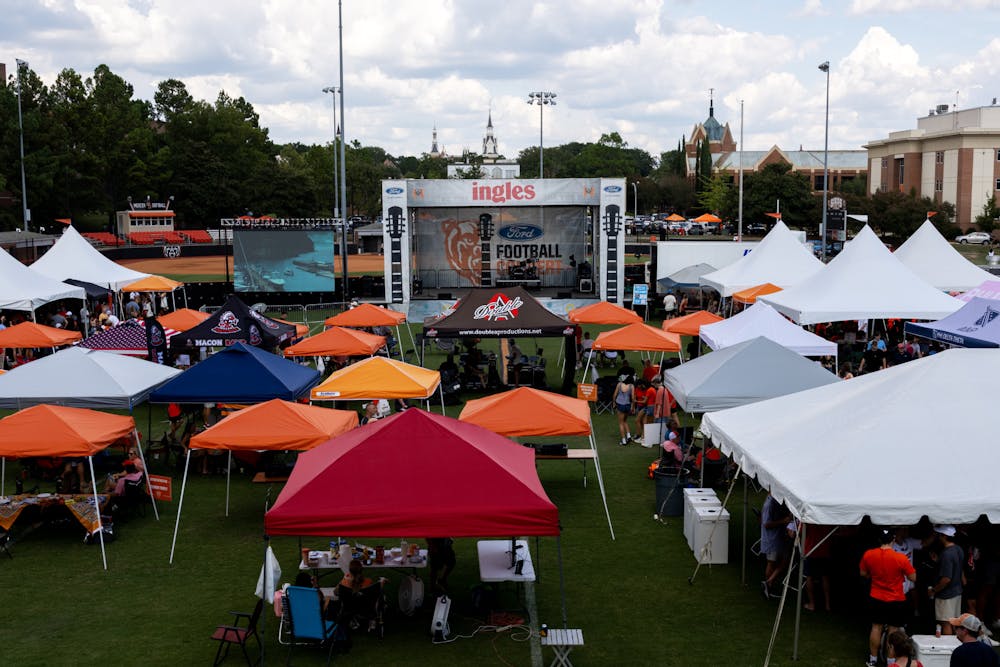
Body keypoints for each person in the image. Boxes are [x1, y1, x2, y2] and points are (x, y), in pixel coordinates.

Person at [860, 528, 917, 666]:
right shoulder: (900, 558)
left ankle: (873, 660)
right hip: (896, 598)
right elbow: (913, 577)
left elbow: (863, 573)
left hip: (876, 596)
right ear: (893, 540)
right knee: (893, 631)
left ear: (879, 540)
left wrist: (872, 575)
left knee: (876, 628)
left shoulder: (869, 554)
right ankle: (891, 662)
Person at [930, 524, 965, 635]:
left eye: (940, 535)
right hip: (957, 592)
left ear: (944, 536)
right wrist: (938, 562)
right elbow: (957, 567)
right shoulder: (958, 549)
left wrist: (934, 590)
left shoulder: (947, 554)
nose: (938, 537)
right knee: (953, 622)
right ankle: (954, 648)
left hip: (946, 595)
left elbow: (946, 579)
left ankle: (948, 650)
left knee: (945, 623)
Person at [761, 494, 792, 599]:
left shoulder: (775, 501)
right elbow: (766, 524)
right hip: (771, 539)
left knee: (785, 561)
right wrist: (783, 521)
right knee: (771, 563)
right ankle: (768, 587)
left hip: (778, 538)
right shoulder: (770, 504)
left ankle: (768, 582)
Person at [613, 373, 635, 446]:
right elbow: (632, 398)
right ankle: (628, 436)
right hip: (627, 405)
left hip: (620, 404)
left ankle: (623, 440)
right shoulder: (632, 386)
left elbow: (615, 394)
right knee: (625, 421)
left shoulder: (619, 384)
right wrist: (632, 406)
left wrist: (613, 402)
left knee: (621, 423)